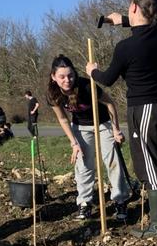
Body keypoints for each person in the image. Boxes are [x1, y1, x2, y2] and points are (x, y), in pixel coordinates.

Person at [86, 0, 157, 238]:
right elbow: (147, 22)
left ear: (133, 7)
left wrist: (92, 71)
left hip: (143, 110)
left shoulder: (125, 48)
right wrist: (120, 19)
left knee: (149, 168)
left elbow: (108, 79)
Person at [49, 54, 130, 221]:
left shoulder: (87, 86)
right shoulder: (53, 94)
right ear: (53, 77)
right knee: (84, 165)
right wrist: (74, 143)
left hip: (103, 123)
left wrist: (116, 130)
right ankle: (84, 203)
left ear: (75, 74)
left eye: (70, 75)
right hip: (80, 127)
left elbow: (109, 104)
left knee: (112, 161)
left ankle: (120, 200)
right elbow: (63, 119)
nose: (67, 80)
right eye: (62, 76)